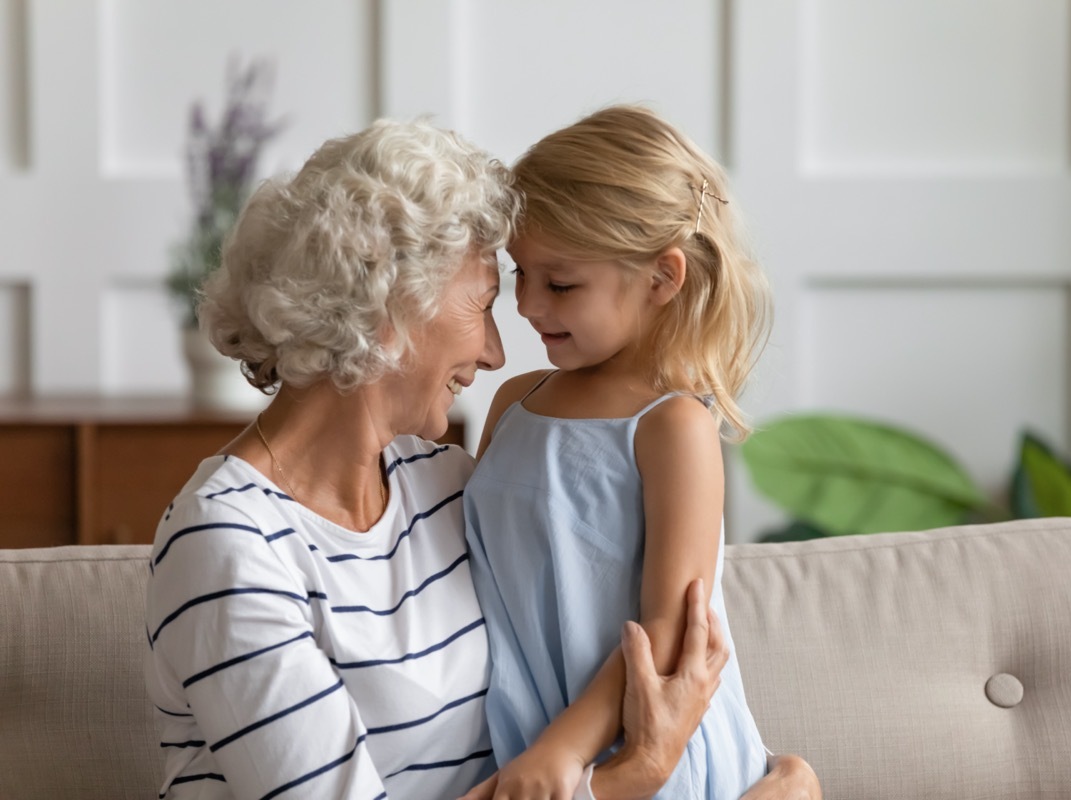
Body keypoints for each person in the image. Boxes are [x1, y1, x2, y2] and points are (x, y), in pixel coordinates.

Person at [143, 117, 820, 799]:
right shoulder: (228, 543)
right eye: (491, 299)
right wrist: (629, 776)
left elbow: (637, 617)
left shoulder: (440, 487)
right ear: (394, 307)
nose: (500, 351)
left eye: (551, 285)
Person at [463, 105, 774, 799]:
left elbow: (670, 629)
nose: (526, 304)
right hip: (529, 745)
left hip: (642, 749)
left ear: (663, 278)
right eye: (520, 274)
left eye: (560, 283)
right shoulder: (512, 403)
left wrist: (564, 749)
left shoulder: (672, 428)